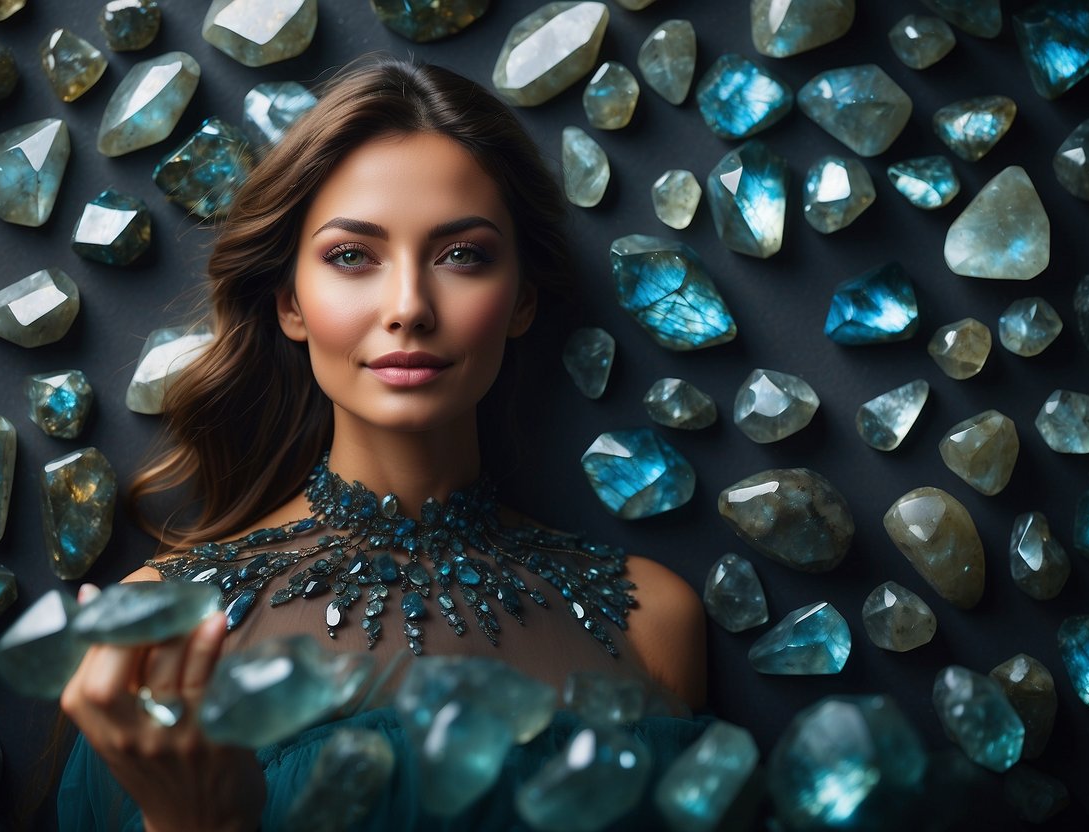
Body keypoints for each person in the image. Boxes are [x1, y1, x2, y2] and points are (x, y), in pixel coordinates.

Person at [59, 55, 708, 831]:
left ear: (522, 300)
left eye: (461, 255)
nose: (408, 305)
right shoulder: (162, 624)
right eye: (351, 256)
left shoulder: (650, 619)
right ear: (290, 304)